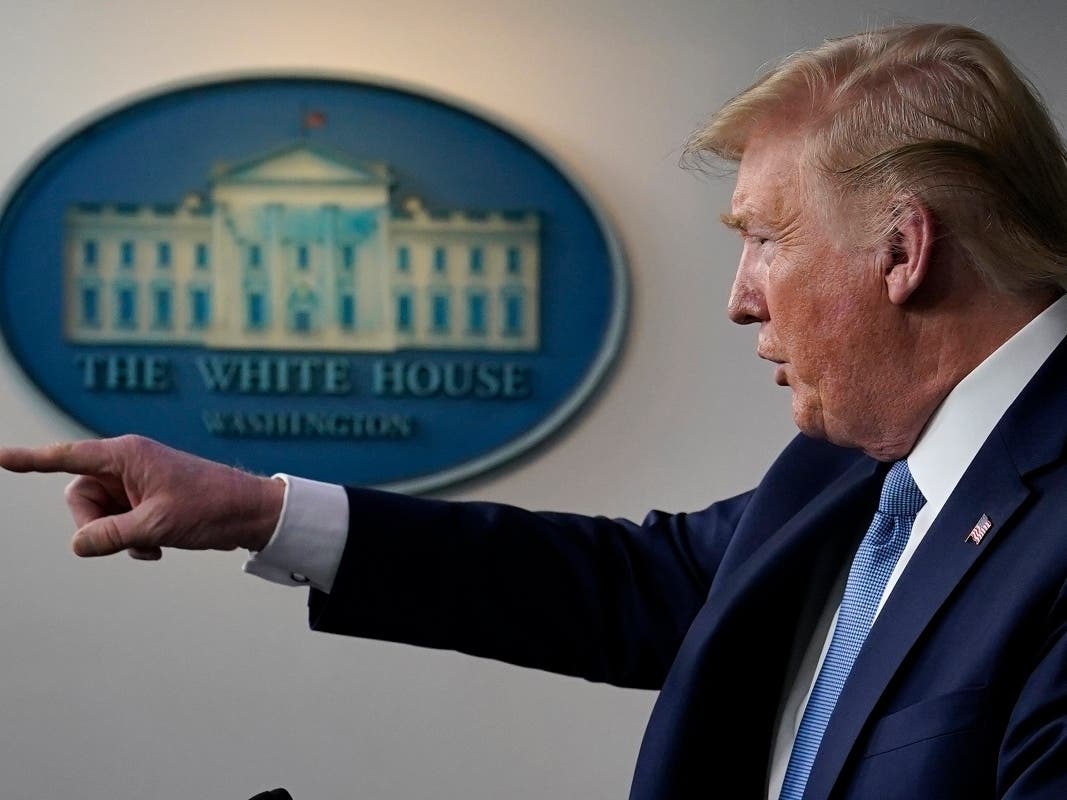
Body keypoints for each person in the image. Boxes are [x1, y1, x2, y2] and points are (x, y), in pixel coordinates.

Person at [3, 21, 1067, 800]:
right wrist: (256, 510)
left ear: (900, 250)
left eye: (763, 239)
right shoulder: (853, 465)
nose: (740, 297)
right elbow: (628, 584)